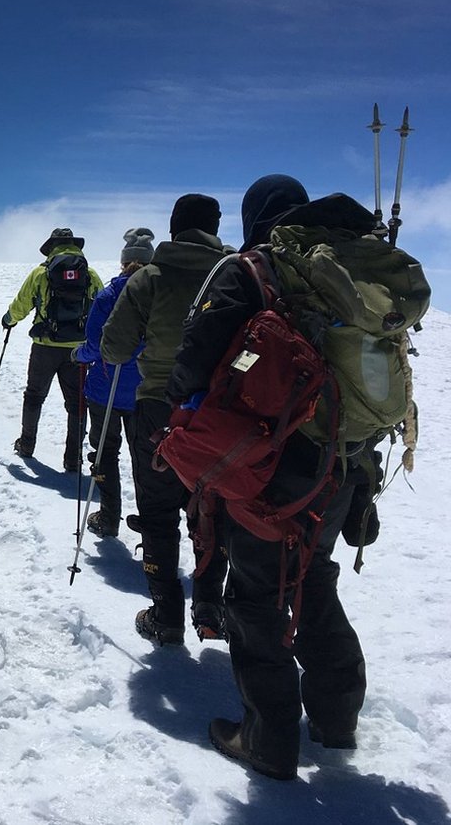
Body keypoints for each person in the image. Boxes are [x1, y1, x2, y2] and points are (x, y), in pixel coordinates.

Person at [165, 175, 375, 781]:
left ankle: (267, 739)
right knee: (312, 577)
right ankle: (336, 717)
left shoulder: (251, 271)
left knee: (257, 598)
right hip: (344, 462)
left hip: (268, 468)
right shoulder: (347, 274)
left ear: (253, 216)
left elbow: (192, 365)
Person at [100, 194, 231, 645]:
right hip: (222, 413)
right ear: (215, 227)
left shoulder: (151, 277)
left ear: (174, 228)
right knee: (213, 506)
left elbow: (114, 348)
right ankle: (210, 604)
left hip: (159, 405)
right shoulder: (236, 272)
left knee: (157, 512)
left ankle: (166, 614)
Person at [71, 228, 154, 537]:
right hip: (146, 391)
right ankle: (151, 525)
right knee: (145, 457)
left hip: (106, 389)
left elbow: (95, 345)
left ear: (123, 261)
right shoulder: (161, 294)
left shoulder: (109, 295)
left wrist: (78, 355)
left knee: (105, 453)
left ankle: (108, 518)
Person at [2, 228, 103, 471]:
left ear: (52, 246)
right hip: (78, 351)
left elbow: (22, 303)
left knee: (34, 395)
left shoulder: (41, 273)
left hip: (45, 346)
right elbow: (101, 306)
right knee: (77, 403)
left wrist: (9, 319)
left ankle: (27, 445)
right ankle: (73, 458)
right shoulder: (89, 274)